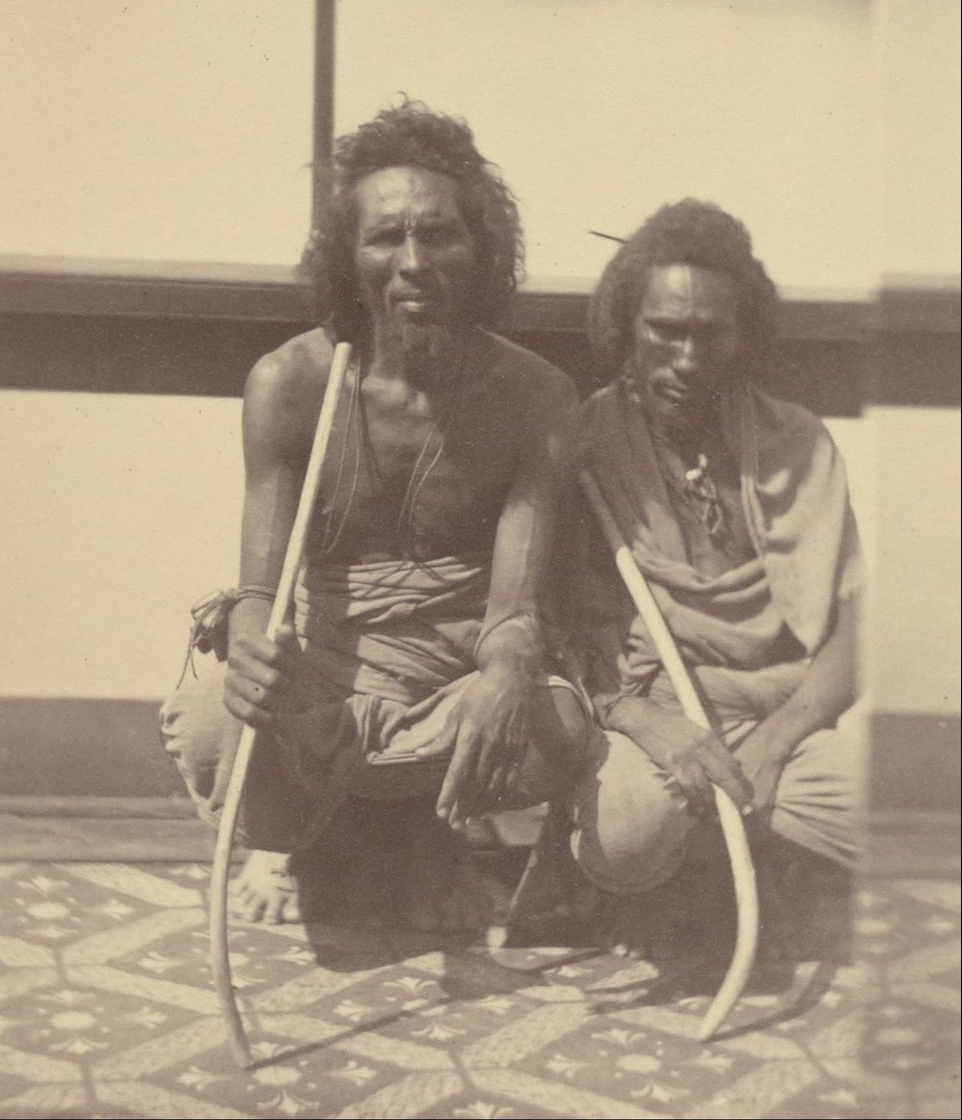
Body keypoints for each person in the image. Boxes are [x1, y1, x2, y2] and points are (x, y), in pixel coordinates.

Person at [161, 102, 588, 929]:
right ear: (348, 259)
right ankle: (287, 839)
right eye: (386, 238)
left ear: (483, 248)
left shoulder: (537, 398)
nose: (415, 262)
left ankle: (434, 833)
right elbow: (261, 597)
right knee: (217, 725)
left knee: (553, 725)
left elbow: (514, 609)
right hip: (328, 666)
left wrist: (505, 675)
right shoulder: (290, 383)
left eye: (441, 235)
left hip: (454, 673)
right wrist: (253, 650)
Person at [522, 199, 862, 951]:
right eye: (664, 330)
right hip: (657, 720)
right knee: (626, 838)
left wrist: (774, 745)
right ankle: (686, 869)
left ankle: (747, 858)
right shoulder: (582, 443)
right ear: (626, 329)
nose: (685, 356)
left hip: (784, 716)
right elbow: (552, 628)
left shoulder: (797, 442)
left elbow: (851, 635)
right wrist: (645, 720)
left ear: (744, 337)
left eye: (710, 333)